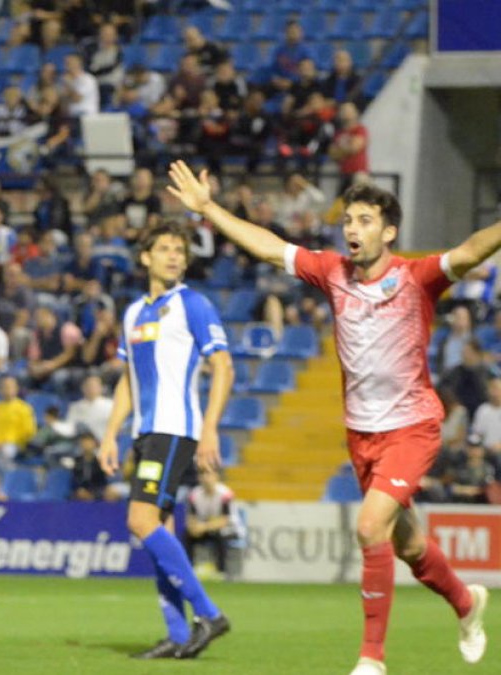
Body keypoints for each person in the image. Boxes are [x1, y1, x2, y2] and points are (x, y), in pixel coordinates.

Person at [168, 160, 492, 674]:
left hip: (412, 426)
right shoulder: (332, 272)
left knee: (368, 527)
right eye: (347, 220)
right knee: (406, 543)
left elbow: (473, 249)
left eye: (364, 220)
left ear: (389, 231)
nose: (352, 229)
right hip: (361, 434)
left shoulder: (417, 277)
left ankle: (371, 659)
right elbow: (269, 245)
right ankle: (466, 603)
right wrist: (209, 209)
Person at [98, 220, 234, 660]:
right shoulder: (134, 312)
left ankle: (209, 613)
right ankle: (178, 635)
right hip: (145, 432)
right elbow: (128, 379)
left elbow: (224, 367)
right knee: (160, 527)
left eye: (180, 250)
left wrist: (210, 426)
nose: (175, 256)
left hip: (174, 429)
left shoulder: (192, 304)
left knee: (140, 521)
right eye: (165, 249)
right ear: (145, 257)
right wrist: (109, 434)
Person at [184, 466, 239, 578]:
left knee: (221, 535)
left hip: (228, 529)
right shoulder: (195, 494)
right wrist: (193, 528)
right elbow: (191, 517)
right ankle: (188, 570)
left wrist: (203, 527)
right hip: (204, 528)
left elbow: (225, 520)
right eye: (202, 474)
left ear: (216, 476)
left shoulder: (225, 494)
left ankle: (221, 572)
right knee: (186, 535)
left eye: (208, 474)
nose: (205, 478)